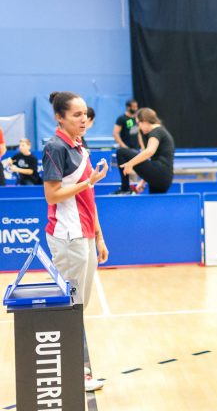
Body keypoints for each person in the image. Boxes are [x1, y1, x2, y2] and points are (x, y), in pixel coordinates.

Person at [42, 91, 110, 392]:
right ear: (60, 117)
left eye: (85, 114)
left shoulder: (80, 146)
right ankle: (71, 372)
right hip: (67, 236)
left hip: (85, 234)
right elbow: (52, 195)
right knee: (70, 306)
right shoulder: (55, 147)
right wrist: (88, 182)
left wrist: (99, 236)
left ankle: (72, 367)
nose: (84, 119)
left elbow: (88, 198)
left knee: (79, 305)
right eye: (76, 115)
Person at [114, 107, 175, 194]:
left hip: (160, 173)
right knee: (154, 201)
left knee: (121, 152)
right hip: (164, 178)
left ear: (145, 121)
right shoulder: (161, 130)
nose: (139, 127)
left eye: (138, 123)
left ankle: (125, 189)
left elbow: (150, 151)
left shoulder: (156, 131)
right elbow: (153, 160)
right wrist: (143, 180)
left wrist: (130, 163)